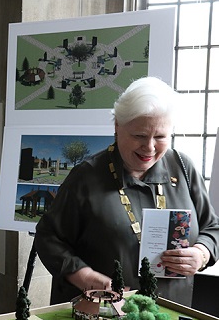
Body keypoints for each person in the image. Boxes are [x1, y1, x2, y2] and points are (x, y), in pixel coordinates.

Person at [34, 76, 219, 307]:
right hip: (104, 311)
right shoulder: (86, 177)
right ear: (117, 127)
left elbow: (213, 228)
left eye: (160, 137)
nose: (150, 147)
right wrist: (84, 276)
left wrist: (201, 254)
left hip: (172, 310)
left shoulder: (183, 168)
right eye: (140, 136)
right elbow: (48, 237)